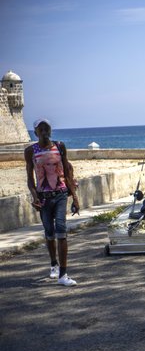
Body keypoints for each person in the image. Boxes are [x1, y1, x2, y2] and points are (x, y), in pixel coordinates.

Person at [25, 119, 79, 286]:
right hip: (43, 197)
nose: (44, 132)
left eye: (47, 128)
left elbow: (67, 172)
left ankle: (63, 275)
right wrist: (34, 197)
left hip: (61, 194)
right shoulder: (30, 151)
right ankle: (53, 264)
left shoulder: (59, 146)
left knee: (61, 230)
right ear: (36, 133)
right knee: (49, 232)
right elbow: (30, 179)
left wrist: (75, 197)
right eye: (41, 129)